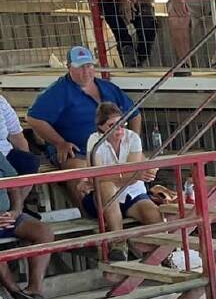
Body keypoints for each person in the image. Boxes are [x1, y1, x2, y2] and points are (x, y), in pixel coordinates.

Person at [27, 47, 141, 206]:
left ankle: (127, 205)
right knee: (80, 172)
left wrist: (133, 143)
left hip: (113, 147)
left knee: (141, 168)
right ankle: (92, 212)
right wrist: (60, 142)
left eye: (89, 65)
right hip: (77, 152)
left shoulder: (107, 87)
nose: (86, 71)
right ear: (69, 67)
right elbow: (33, 118)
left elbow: (134, 113)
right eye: (80, 66)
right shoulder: (58, 91)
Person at [84, 102, 162, 261]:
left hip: (133, 195)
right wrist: (132, 177)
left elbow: (130, 173)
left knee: (153, 215)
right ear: (101, 127)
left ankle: (159, 256)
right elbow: (98, 177)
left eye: (121, 123)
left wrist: (105, 179)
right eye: (112, 125)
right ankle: (119, 243)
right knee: (106, 187)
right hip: (105, 198)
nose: (119, 129)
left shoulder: (132, 137)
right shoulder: (94, 140)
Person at [0, 158, 53, 299]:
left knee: (44, 232)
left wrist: (16, 211)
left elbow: (13, 185)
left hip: (8, 215)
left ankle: (34, 290)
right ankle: (16, 292)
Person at [93, 0, 158, 68]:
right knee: (116, 23)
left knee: (148, 23)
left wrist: (130, 0)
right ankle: (127, 52)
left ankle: (141, 58)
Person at [0, 96, 40, 219]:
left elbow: (17, 135)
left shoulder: (1, 102)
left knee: (29, 162)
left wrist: (27, 157)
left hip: (5, 153)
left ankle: (17, 209)